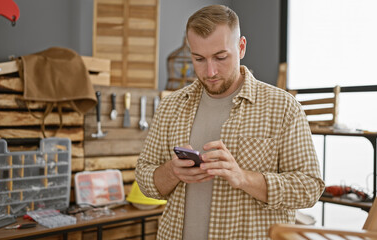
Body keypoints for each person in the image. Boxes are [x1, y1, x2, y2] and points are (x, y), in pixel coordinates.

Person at [136, 4, 324, 239]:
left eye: (221, 57)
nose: (210, 71)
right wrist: (172, 172)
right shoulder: (170, 107)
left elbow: (309, 188)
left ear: (241, 47)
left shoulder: (283, 107)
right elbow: (145, 178)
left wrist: (243, 177)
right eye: (199, 59)